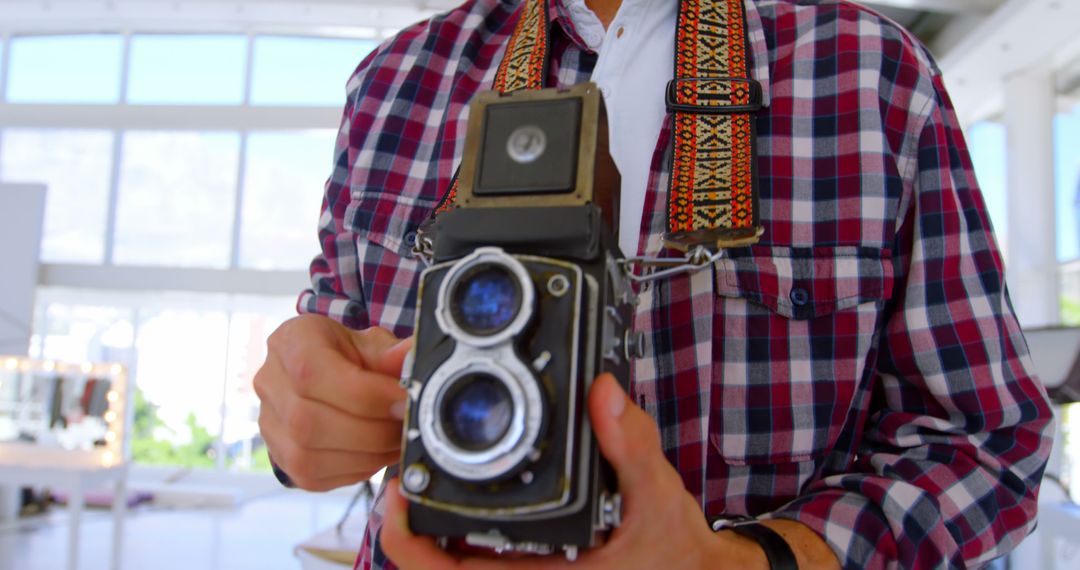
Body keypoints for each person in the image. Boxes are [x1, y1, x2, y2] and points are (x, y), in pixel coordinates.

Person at [253, 0, 1055, 568]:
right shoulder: (395, 83)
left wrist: (743, 564)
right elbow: (328, 370)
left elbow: (988, 442)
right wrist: (304, 420)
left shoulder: (867, 72)